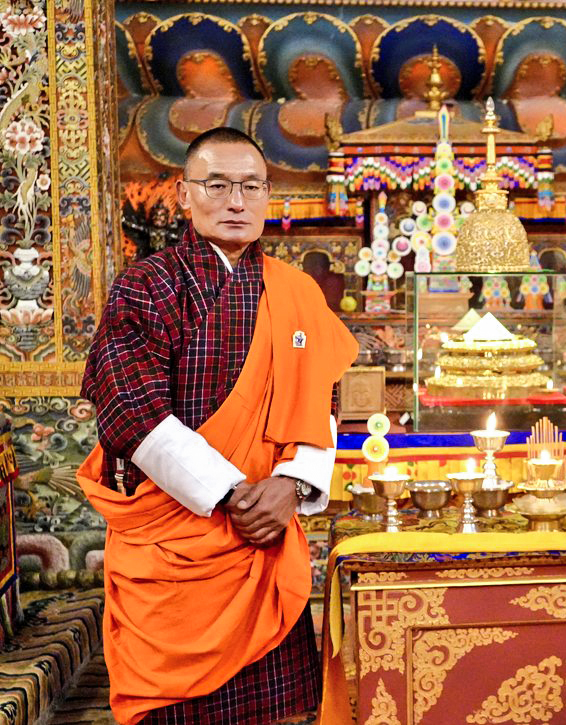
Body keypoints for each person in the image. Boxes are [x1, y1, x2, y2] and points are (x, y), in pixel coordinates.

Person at [77, 127, 358, 725]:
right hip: (180, 546)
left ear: (268, 195)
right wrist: (235, 496)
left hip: (264, 542)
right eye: (218, 185)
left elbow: (323, 399)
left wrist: (293, 484)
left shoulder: (296, 291)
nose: (236, 201)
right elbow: (131, 412)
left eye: (251, 187)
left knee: (278, 715)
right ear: (185, 193)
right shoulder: (145, 287)